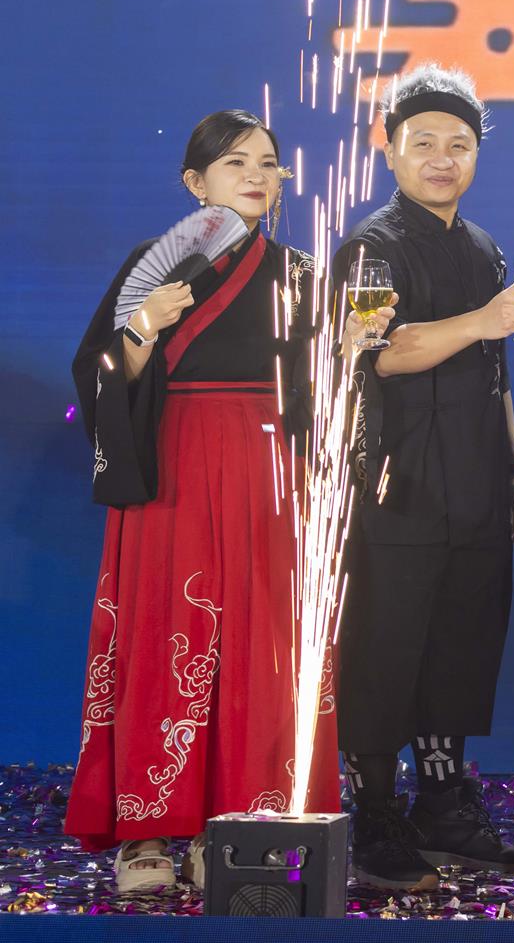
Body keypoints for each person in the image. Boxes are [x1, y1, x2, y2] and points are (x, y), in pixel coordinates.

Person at [68, 110, 342, 893]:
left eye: (268, 162)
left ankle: (240, 825)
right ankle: (148, 828)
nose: (256, 175)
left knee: (265, 641)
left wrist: (353, 352)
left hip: (271, 473)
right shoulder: (150, 266)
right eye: (234, 163)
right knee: (167, 630)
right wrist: (141, 329)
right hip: (175, 466)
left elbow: (326, 395)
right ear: (195, 182)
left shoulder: (301, 273)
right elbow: (96, 375)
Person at [330, 65, 514, 890]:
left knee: (461, 642)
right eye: (424, 143)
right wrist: (484, 318)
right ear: (390, 150)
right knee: (386, 647)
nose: (443, 159)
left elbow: (497, 372)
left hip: (479, 478)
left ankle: (444, 804)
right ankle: (376, 813)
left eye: (460, 144)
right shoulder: (372, 245)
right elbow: (380, 353)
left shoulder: (484, 247)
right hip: (399, 479)